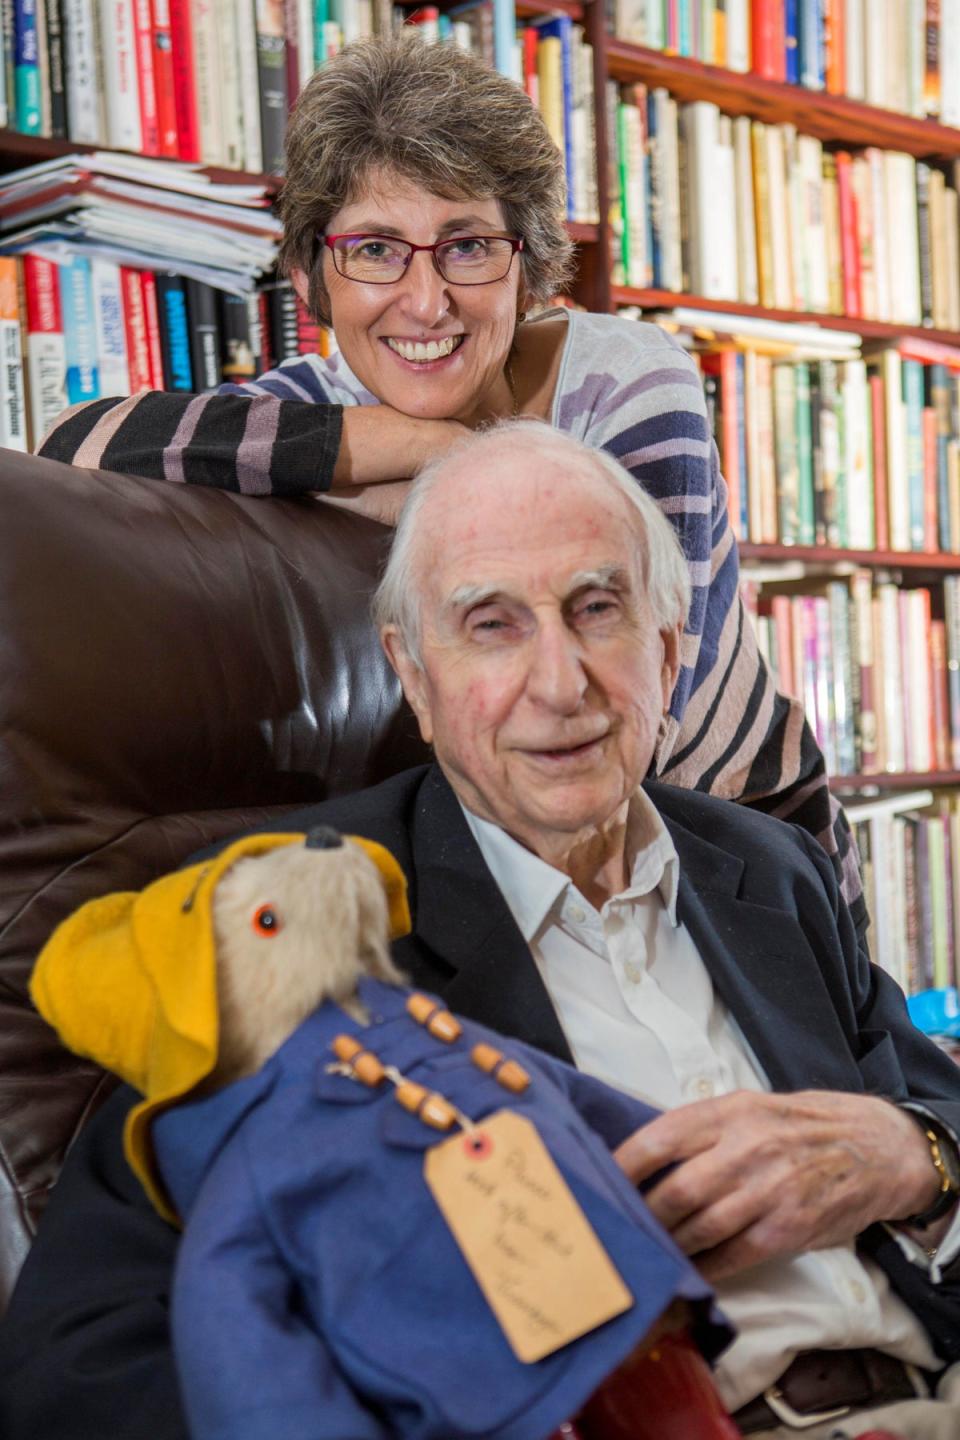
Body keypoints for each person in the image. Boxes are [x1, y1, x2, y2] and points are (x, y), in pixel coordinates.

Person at [3, 420, 960, 1440]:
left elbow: (933, 1103)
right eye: (492, 625)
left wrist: (915, 1155)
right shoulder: (289, 919)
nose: (561, 684)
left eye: (598, 610)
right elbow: (81, 1358)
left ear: (671, 652)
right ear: (412, 675)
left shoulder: (772, 867)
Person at [37, 33, 864, 939]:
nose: (425, 302)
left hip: (750, 853)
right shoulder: (322, 409)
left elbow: (634, 718)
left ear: (529, 263)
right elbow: (80, 444)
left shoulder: (630, 378)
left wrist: (429, 468)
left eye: (467, 246)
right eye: (376, 249)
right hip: (526, 865)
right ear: (315, 272)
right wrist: (416, 443)